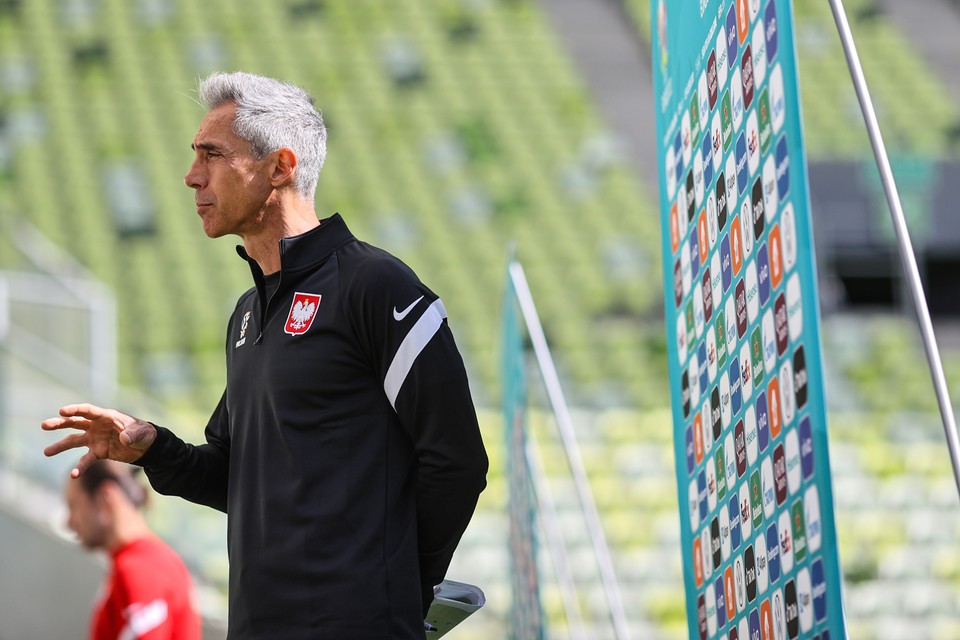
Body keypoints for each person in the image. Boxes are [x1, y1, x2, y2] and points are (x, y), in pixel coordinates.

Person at [42, 71, 489, 639]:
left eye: (211, 154)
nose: (191, 175)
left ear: (280, 167)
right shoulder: (247, 314)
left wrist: (401, 593)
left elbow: (457, 461)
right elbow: (235, 477)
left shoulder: (377, 286)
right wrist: (153, 446)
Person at [64, 459, 201, 640]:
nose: (69, 522)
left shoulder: (140, 568)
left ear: (105, 498)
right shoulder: (146, 560)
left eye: (73, 506)